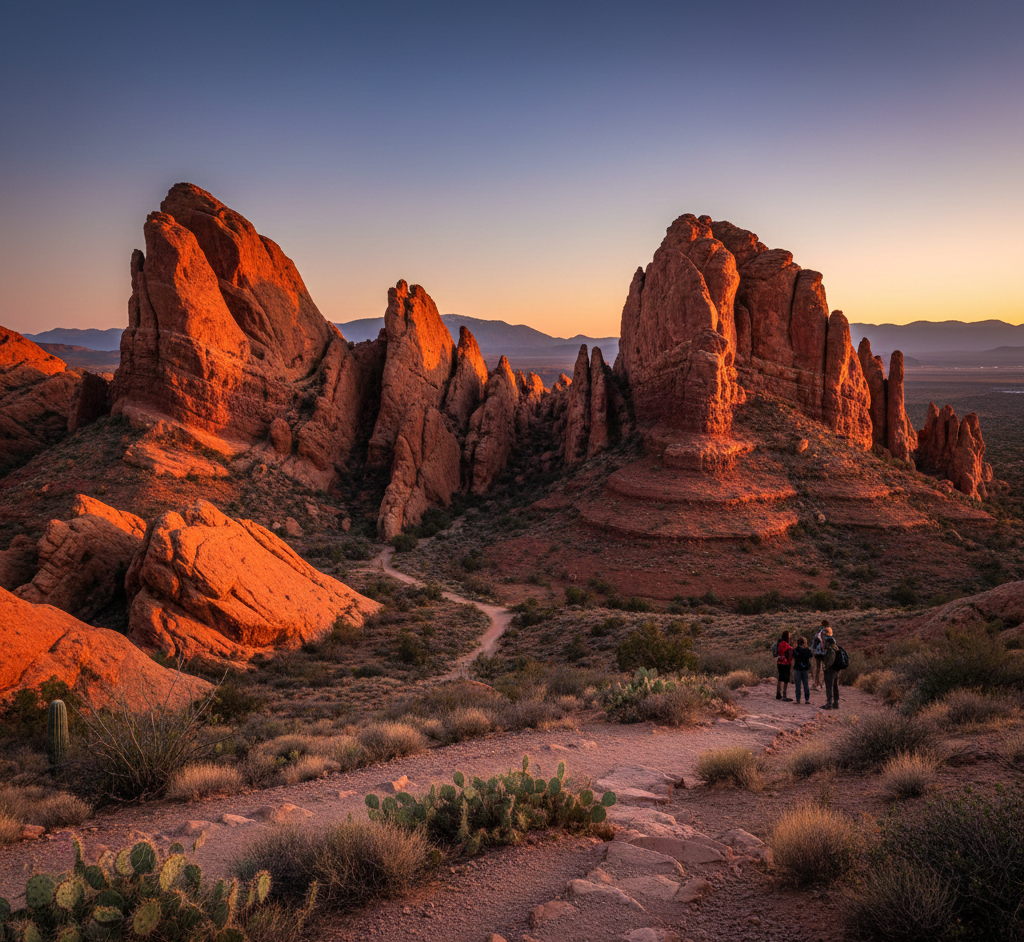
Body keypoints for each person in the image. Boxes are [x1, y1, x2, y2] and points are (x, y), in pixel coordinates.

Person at [821, 634, 841, 710]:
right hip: (836, 670)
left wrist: (825, 668)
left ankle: (829, 703)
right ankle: (835, 703)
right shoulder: (837, 649)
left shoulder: (831, 650)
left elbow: (829, 662)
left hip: (830, 670)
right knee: (835, 686)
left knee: (829, 687)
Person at [792, 636, 812, 704]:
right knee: (805, 684)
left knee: (798, 684)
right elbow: (810, 655)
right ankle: (807, 699)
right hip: (805, 668)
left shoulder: (795, 650)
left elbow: (793, 656)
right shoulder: (807, 650)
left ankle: (798, 699)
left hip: (797, 668)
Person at [775, 630, 794, 702]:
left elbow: (779, 652)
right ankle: (784, 695)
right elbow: (790, 652)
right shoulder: (786, 644)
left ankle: (778, 693)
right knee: (786, 679)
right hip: (786, 663)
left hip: (779, 661)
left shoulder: (779, 643)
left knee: (780, 678)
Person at [811, 620, 828, 689]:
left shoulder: (817, 635)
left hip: (818, 653)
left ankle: (816, 682)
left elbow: (814, 645)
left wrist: (813, 651)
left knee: (818, 668)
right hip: (825, 653)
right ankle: (824, 683)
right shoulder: (827, 634)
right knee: (825, 668)